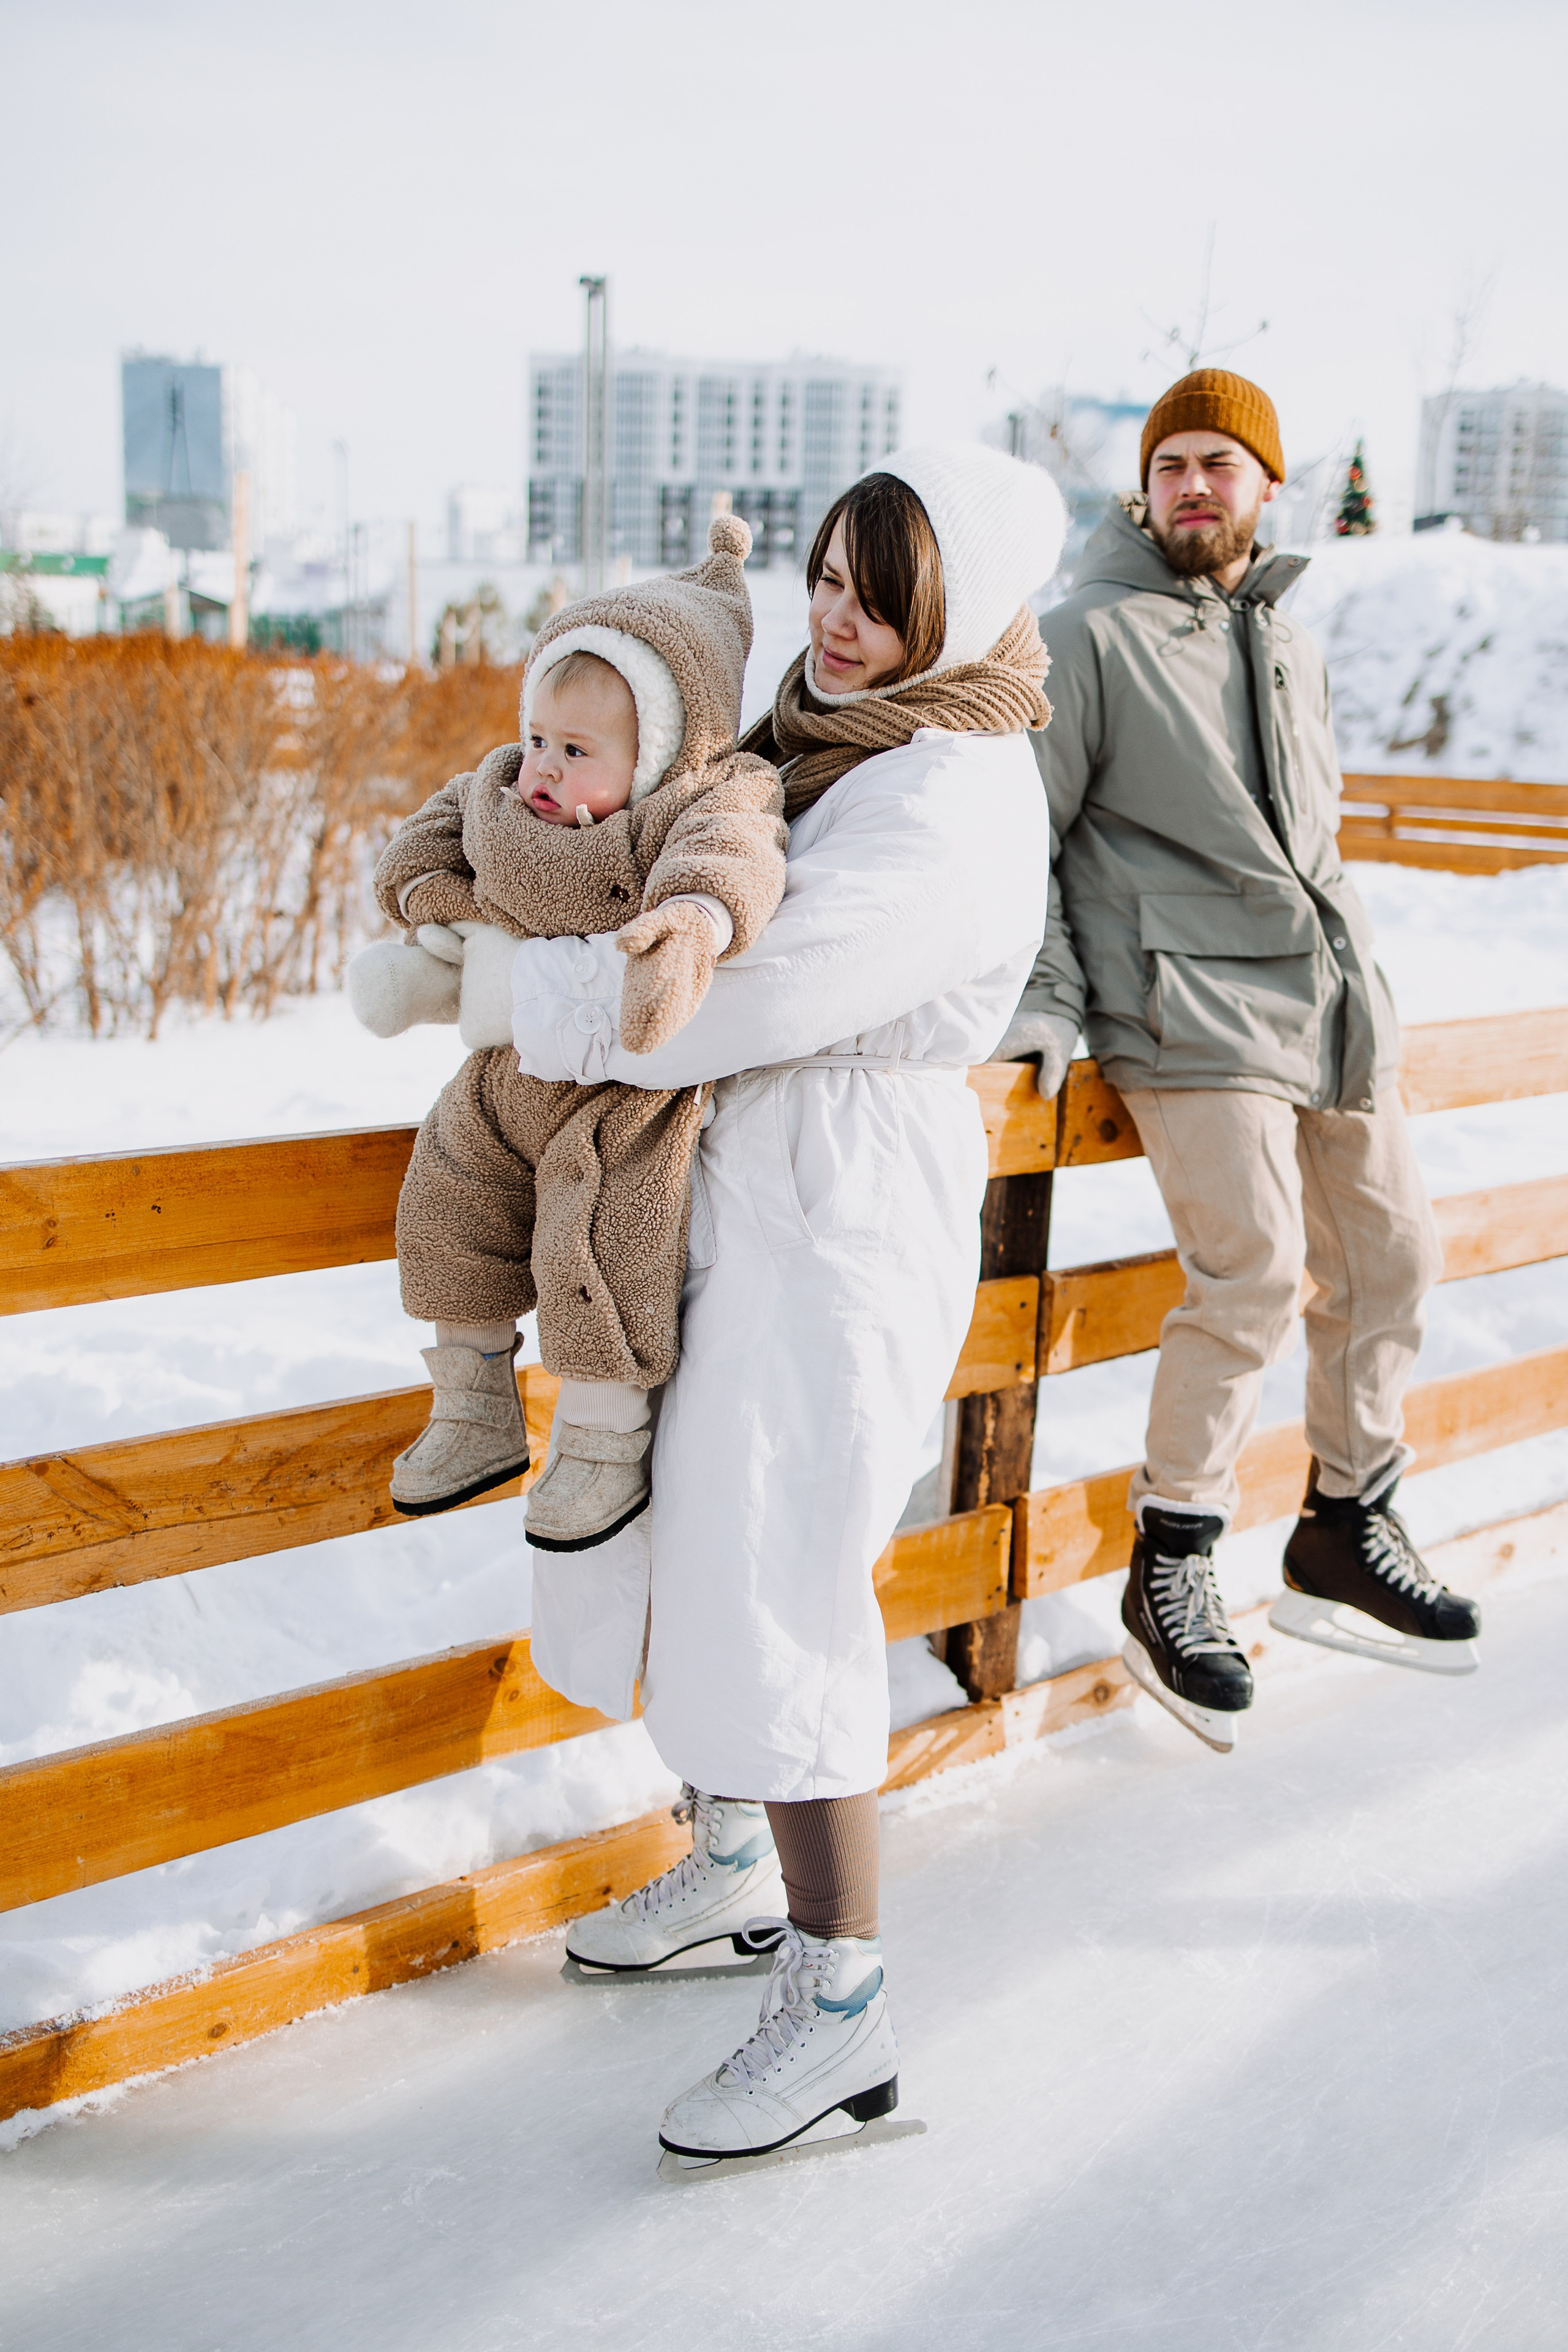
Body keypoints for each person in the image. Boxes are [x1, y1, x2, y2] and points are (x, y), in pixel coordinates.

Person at [443, 446, 1065, 2163]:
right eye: (828, 578)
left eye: (885, 595)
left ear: (964, 610)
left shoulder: (945, 791)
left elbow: (735, 994)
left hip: (842, 1200)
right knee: (708, 1539)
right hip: (765, 1182)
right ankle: (732, 1867)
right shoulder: (829, 740)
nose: (840, 620)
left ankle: (842, 2001)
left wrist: (511, 990)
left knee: (784, 1571)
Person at [998, 368, 1480, 1754]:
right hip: (1182, 1003)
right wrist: (1043, 1001)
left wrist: (1356, 987)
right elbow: (1025, 836)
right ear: (1142, 490)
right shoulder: (1085, 635)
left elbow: (1314, 846)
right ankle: (1172, 1554)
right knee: (1254, 1270)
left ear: (1266, 488)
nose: (1194, 485)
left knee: (1393, 1259)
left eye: (1221, 462)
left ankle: (1343, 1521)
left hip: (1324, 1001)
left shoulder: (1288, 643)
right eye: (1172, 465)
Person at [345, 519, 788, 1551]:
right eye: (540, 736)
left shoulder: (703, 798)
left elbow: (735, 856)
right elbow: (425, 836)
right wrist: (435, 903)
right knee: (447, 1192)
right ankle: (472, 1404)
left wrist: (691, 923)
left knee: (601, 1238)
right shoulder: (504, 787)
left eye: (577, 751)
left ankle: (599, 1439)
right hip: (502, 1075)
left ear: (662, 751)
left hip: (623, 1089)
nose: (542, 767)